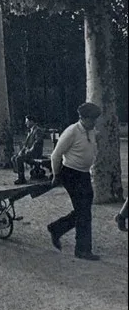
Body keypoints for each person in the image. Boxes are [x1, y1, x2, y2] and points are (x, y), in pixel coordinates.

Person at [47, 101, 101, 261]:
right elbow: (55, 155)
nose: (94, 122)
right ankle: (82, 250)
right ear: (83, 118)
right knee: (83, 212)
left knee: (83, 210)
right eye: (92, 119)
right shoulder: (71, 132)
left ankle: (56, 228)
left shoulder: (90, 130)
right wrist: (56, 175)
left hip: (83, 174)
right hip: (71, 174)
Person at [11, 115, 44, 184]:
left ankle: (21, 178)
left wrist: (29, 151)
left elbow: (37, 143)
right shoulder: (31, 131)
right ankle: (19, 175)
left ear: (32, 121)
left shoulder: (37, 130)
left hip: (35, 153)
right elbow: (25, 145)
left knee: (19, 159)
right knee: (14, 157)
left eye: (27, 122)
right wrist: (21, 151)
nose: (26, 123)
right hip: (30, 153)